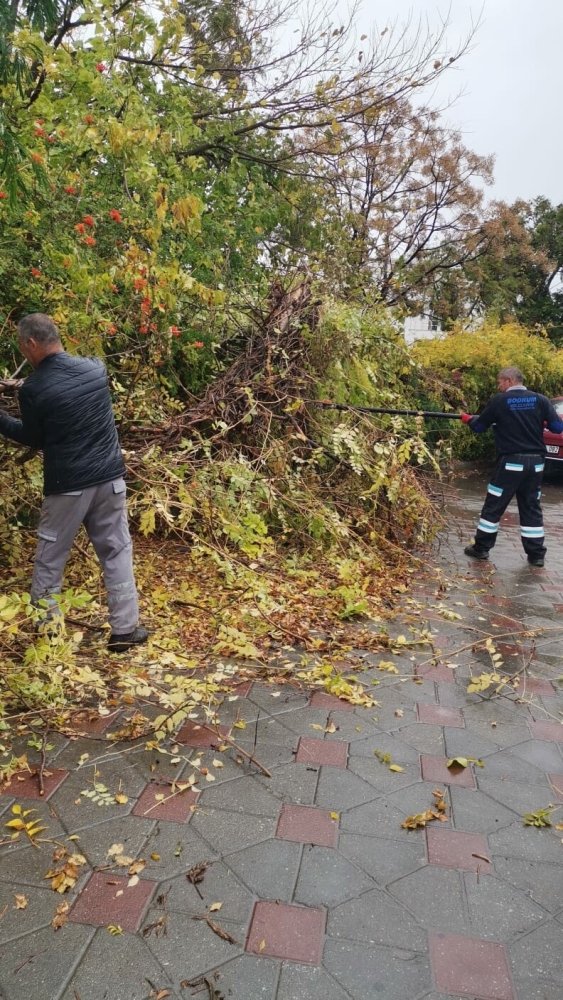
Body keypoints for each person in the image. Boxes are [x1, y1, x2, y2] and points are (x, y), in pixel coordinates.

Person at [0, 313, 147, 652]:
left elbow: (32, 437)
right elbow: (66, 388)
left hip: (68, 487)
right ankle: (125, 631)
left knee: (50, 559)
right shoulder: (96, 369)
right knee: (117, 551)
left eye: (23, 347)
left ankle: (48, 636)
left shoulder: (35, 390)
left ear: (33, 343)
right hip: (111, 479)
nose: (24, 354)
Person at [461, 366, 563, 568]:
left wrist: (468, 419)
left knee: (494, 506)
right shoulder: (540, 400)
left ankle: (481, 548)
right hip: (535, 465)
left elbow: (480, 427)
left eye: (500, 382)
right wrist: (541, 420)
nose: (499, 387)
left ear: (509, 380)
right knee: (531, 507)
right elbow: (558, 428)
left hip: (510, 463)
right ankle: (536, 555)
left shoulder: (500, 401)